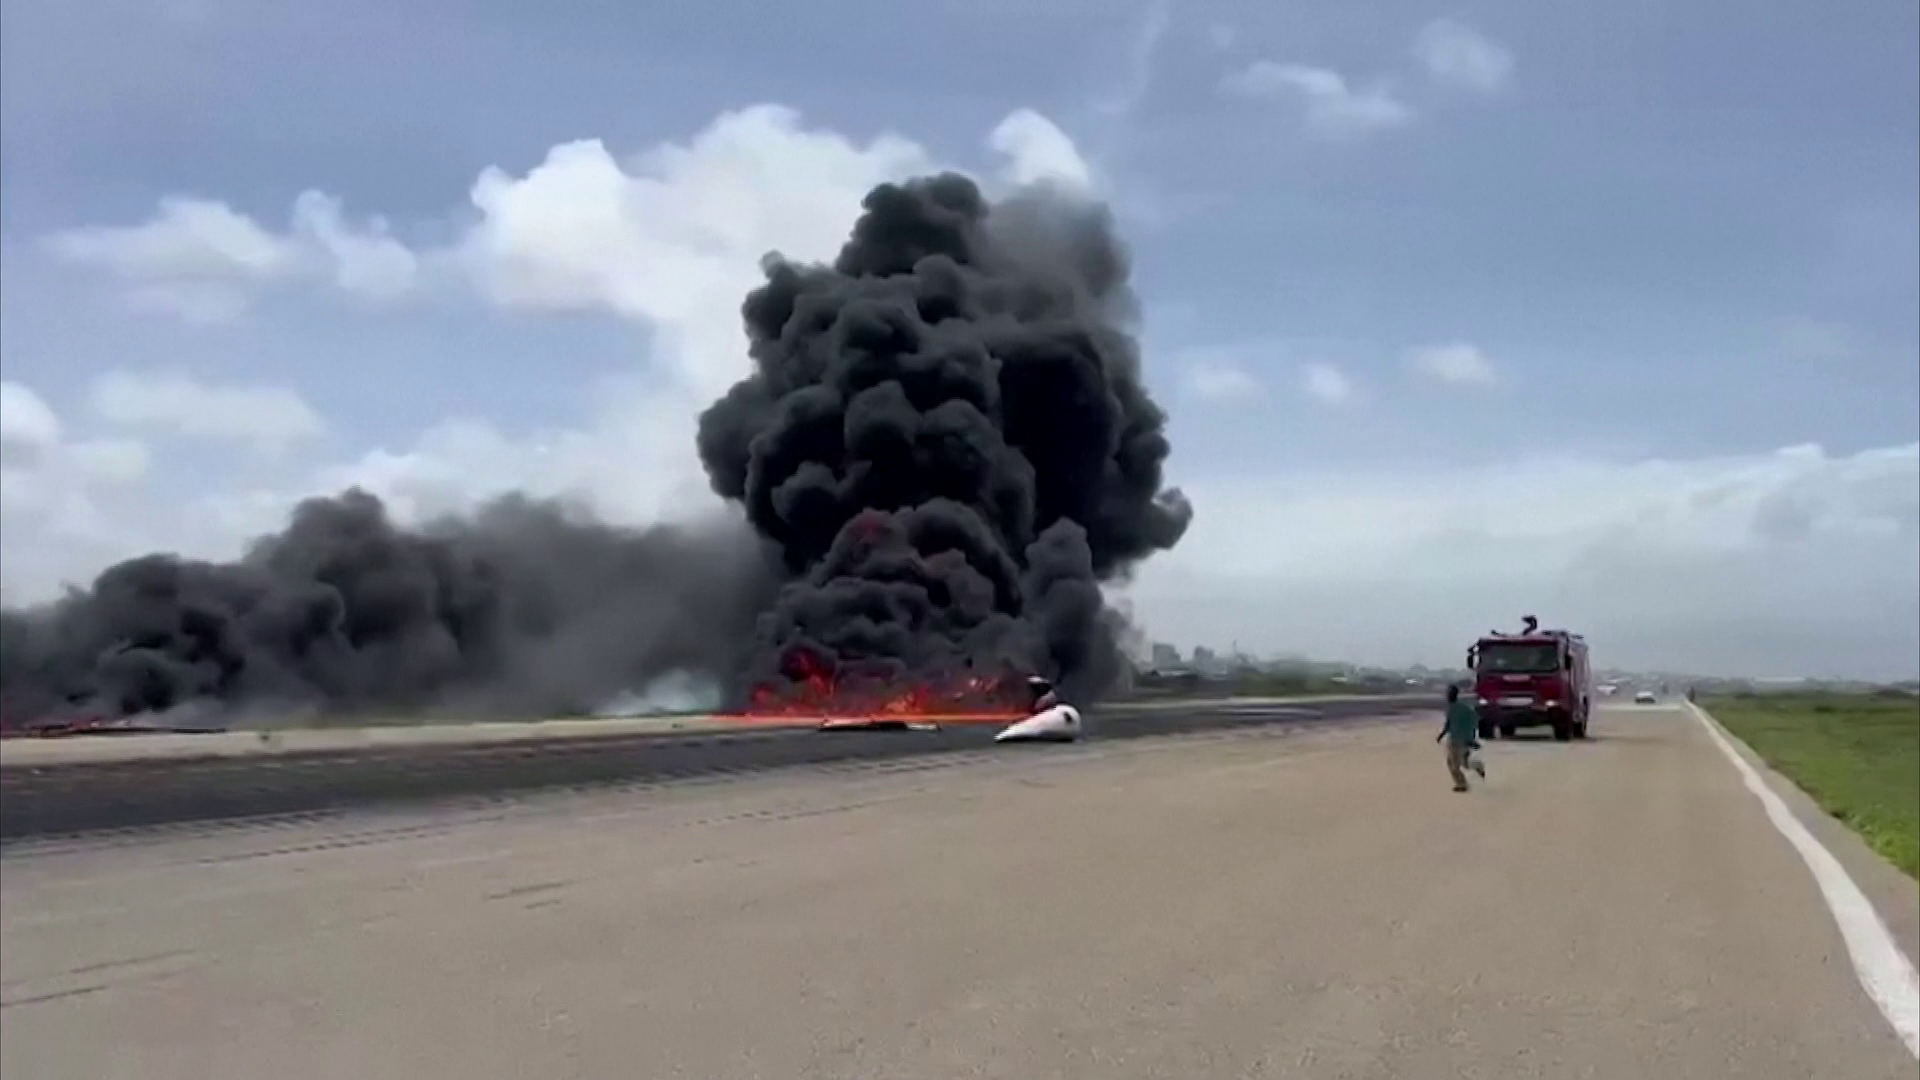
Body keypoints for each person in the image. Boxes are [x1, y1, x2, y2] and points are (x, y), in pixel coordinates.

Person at [1436, 683, 1487, 792]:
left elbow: (1473, 721)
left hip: (1458, 740)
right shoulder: (1457, 707)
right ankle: (1477, 766)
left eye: (1448, 693)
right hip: (1459, 739)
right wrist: (1442, 735)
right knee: (1463, 763)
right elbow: (1449, 724)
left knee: (1454, 765)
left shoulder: (1458, 708)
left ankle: (1462, 784)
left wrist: (1471, 738)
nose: (1447, 695)